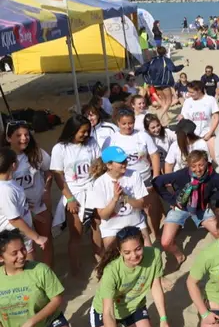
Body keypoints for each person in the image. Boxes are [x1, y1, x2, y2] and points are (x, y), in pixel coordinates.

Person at [91, 226, 169, 327]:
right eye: (127, 252)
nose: (134, 256)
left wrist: (163, 318)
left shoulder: (154, 255)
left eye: (138, 249)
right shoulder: (111, 271)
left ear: (143, 244)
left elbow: (156, 286)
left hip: (134, 307)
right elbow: (108, 311)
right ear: (119, 251)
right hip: (105, 311)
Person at [154, 150, 219, 265]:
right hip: (180, 207)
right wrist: (171, 200)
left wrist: (216, 203)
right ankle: (179, 256)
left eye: (201, 165)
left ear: (206, 162)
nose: (198, 169)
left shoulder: (212, 176)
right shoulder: (181, 175)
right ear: (189, 166)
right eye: (194, 166)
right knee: (165, 242)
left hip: (201, 209)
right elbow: (157, 181)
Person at [50, 115, 102, 276]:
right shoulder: (60, 148)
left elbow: (99, 161)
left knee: (97, 226)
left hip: (92, 189)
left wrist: (97, 169)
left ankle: (100, 261)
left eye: (88, 131)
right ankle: (75, 268)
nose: (86, 135)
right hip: (74, 193)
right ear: (73, 131)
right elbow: (58, 175)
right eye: (83, 132)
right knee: (76, 233)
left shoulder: (92, 143)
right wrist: (70, 198)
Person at [0, 229, 72, 327]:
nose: (21, 255)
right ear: (1, 258)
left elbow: (57, 299)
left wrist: (29, 323)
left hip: (47, 323)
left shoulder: (40, 270)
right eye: (14, 253)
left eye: (23, 249)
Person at [104, 108, 162, 238]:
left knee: (151, 207)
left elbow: (154, 155)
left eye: (130, 123)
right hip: (124, 181)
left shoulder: (143, 135)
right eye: (124, 124)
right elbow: (106, 161)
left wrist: (156, 175)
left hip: (145, 178)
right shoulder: (111, 139)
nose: (127, 126)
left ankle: (156, 234)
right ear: (118, 123)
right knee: (132, 210)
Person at [2, 122, 53, 267]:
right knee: (23, 249)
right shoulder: (4, 158)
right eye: (18, 135)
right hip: (18, 212)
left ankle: (48, 273)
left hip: (38, 206)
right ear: (8, 137)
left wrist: (46, 190)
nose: (24, 138)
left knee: (46, 240)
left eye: (26, 135)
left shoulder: (37, 153)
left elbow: (50, 171)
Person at [89, 146, 152, 247]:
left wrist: (125, 197)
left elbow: (141, 204)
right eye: (120, 162)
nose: (124, 164)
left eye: (125, 160)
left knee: (149, 255)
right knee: (113, 260)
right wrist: (115, 199)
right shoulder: (99, 183)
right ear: (109, 165)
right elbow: (103, 215)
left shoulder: (134, 175)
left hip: (136, 223)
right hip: (112, 229)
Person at [0, 148, 47, 259]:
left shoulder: (10, 183)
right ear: (13, 165)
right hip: (13, 241)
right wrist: (37, 237)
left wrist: (30, 213)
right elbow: (14, 219)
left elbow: (15, 208)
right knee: (26, 273)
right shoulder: (5, 189)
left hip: (21, 237)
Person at [135, 46, 184, 123]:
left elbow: (143, 68)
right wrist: (182, 66)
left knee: (164, 101)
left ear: (157, 52)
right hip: (164, 83)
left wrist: (136, 72)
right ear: (165, 52)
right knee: (169, 101)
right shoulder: (166, 60)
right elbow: (173, 69)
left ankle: (166, 118)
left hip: (155, 84)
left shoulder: (152, 61)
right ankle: (160, 115)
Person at [178, 80, 219, 156]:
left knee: (213, 157)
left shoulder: (210, 100)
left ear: (199, 90)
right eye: (188, 92)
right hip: (192, 137)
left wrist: (210, 133)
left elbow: (216, 118)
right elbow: (184, 117)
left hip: (207, 135)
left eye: (192, 92)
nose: (189, 94)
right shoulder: (187, 102)